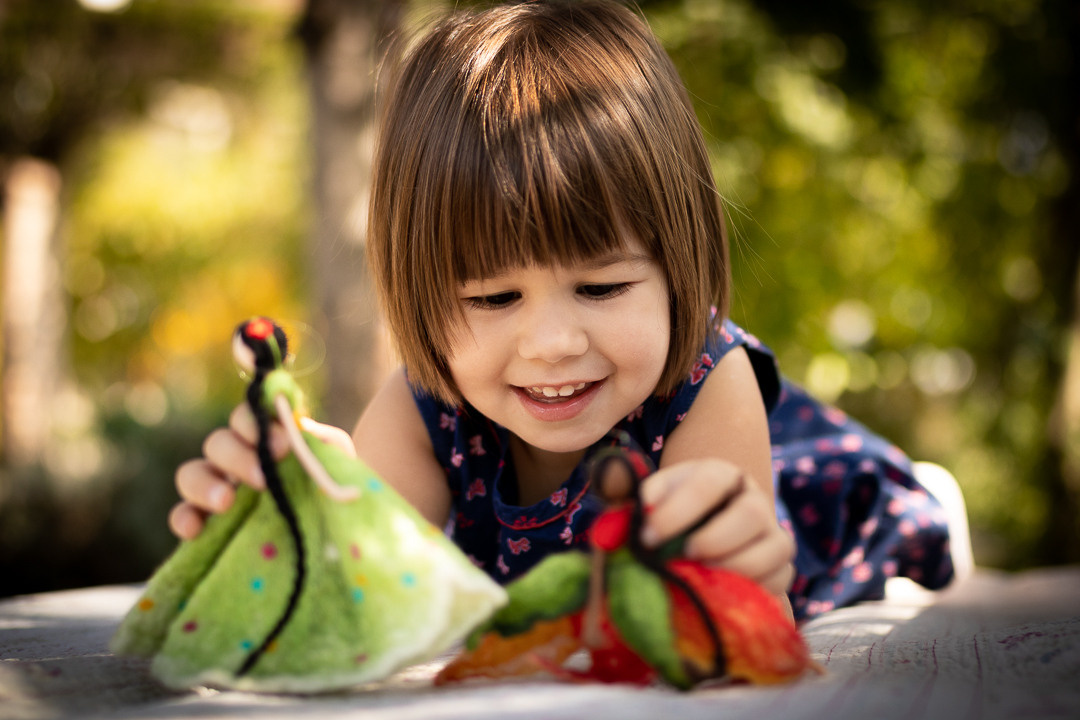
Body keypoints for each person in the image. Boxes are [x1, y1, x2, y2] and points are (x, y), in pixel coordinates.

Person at [170, 0, 953, 623]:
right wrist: (303, 533)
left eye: (604, 287)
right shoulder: (426, 404)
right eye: (492, 298)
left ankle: (924, 489)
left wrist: (730, 587)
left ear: (678, 268)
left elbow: (742, 625)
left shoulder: (709, 384)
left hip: (806, 491)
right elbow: (363, 595)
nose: (551, 342)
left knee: (892, 523)